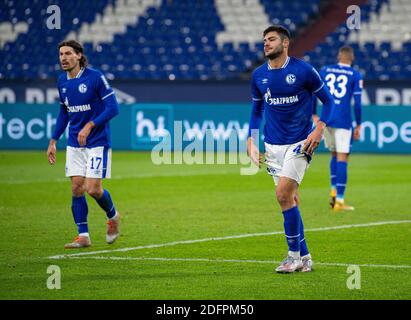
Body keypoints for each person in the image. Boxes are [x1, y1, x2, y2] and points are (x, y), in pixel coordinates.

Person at [247, 25, 334, 273]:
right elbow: (255, 112)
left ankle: (292, 257)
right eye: (264, 39)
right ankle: (305, 257)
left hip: (300, 142)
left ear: (285, 43)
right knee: (290, 199)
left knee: (283, 195)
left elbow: (328, 102)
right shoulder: (258, 76)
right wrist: (251, 141)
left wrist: (318, 130)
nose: (266, 43)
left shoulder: (304, 71)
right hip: (272, 145)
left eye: (271, 39)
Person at [47, 40, 120, 249]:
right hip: (74, 142)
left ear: (79, 55)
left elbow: (113, 108)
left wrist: (90, 125)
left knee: (93, 189)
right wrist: (53, 140)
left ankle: (113, 216)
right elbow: (63, 112)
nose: (63, 58)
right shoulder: (62, 81)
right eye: (61, 54)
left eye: (68, 53)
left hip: (97, 141)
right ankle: (83, 235)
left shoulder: (95, 77)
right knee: (77, 187)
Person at [313, 46, 362, 211]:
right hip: (343, 120)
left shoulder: (325, 70)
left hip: (326, 118)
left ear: (338, 56)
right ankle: (339, 201)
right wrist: (359, 124)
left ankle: (333, 193)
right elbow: (358, 102)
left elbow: (314, 91)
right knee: (342, 157)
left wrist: (313, 113)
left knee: (334, 154)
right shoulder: (355, 74)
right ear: (352, 57)